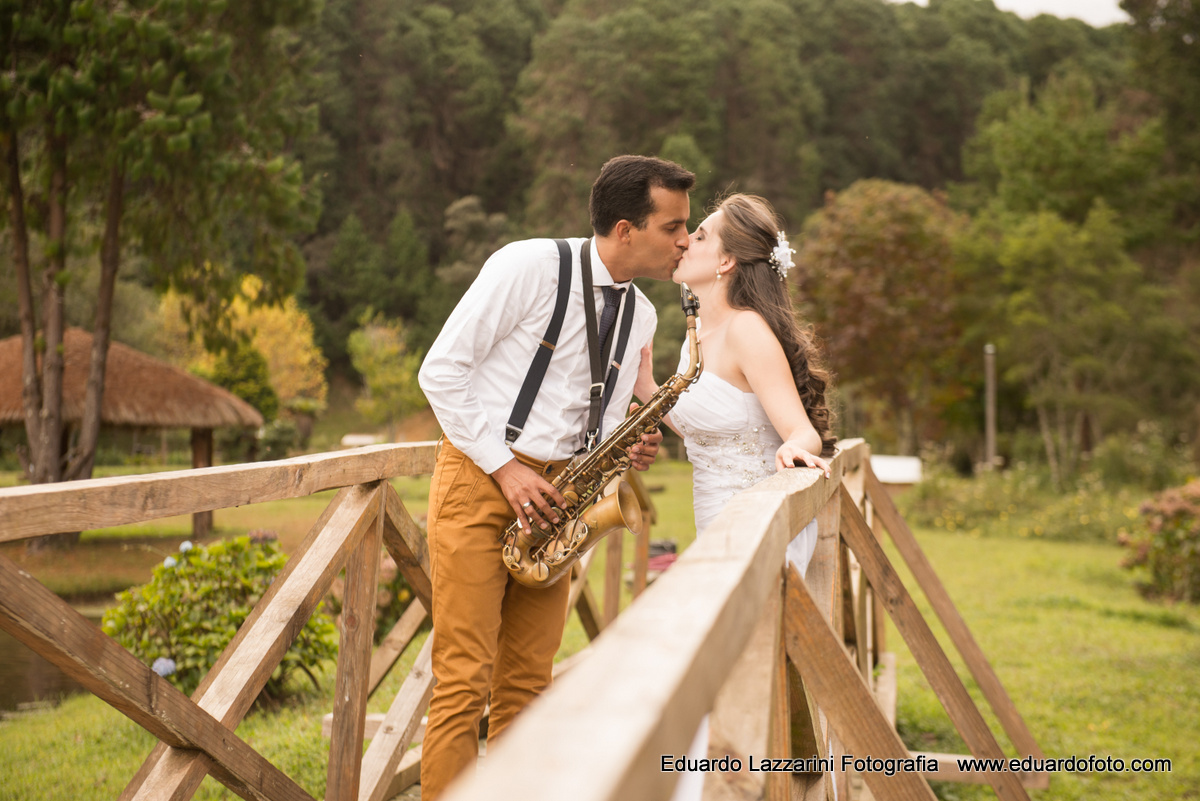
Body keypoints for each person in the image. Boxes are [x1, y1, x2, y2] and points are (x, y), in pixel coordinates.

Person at [416, 155, 696, 800]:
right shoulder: (529, 266)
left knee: (528, 683)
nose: (685, 239)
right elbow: (441, 370)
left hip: (562, 499)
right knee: (463, 679)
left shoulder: (644, 317)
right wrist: (506, 467)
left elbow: (595, 418)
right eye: (673, 226)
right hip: (483, 477)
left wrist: (631, 445)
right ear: (626, 229)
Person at [633, 193, 836, 801]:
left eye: (697, 235)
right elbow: (705, 424)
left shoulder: (746, 329)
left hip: (758, 522)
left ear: (724, 263)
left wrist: (795, 451)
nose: (683, 241)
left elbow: (798, 428)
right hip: (712, 522)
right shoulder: (698, 332)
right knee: (719, 666)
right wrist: (647, 390)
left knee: (731, 667)